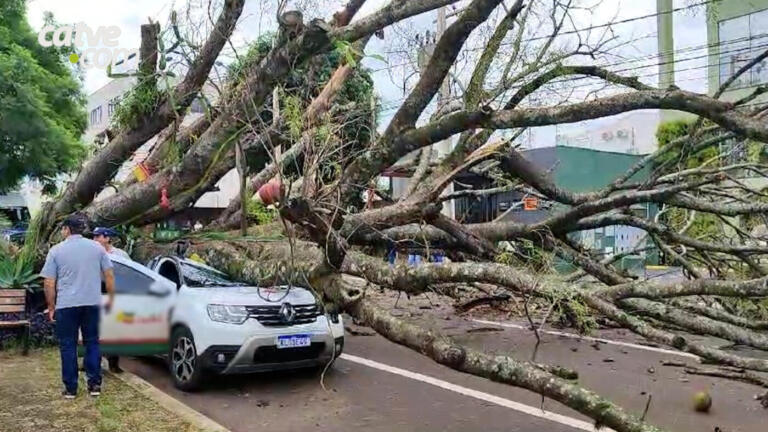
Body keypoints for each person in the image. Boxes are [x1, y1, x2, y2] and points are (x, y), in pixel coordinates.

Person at [42, 214, 115, 399]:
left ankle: (71, 389)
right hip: (92, 303)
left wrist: (51, 307)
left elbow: (49, 283)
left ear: (67, 229)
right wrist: (111, 298)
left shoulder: (56, 251)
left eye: (62, 229)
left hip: (66, 305)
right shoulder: (97, 249)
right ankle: (94, 386)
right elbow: (109, 275)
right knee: (92, 342)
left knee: (68, 345)